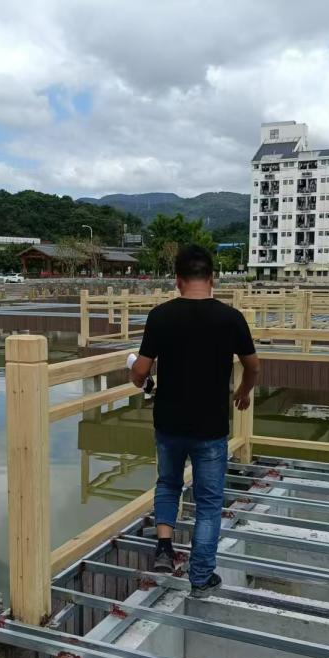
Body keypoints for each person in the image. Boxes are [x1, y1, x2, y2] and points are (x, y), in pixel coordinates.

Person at [129, 244, 259, 598]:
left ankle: (164, 548)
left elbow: (141, 372)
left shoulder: (160, 316)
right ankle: (201, 578)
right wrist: (243, 391)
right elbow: (253, 366)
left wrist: (137, 376)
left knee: (168, 484)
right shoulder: (231, 318)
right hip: (210, 427)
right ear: (212, 278)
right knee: (209, 503)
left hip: (169, 422)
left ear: (178, 280)